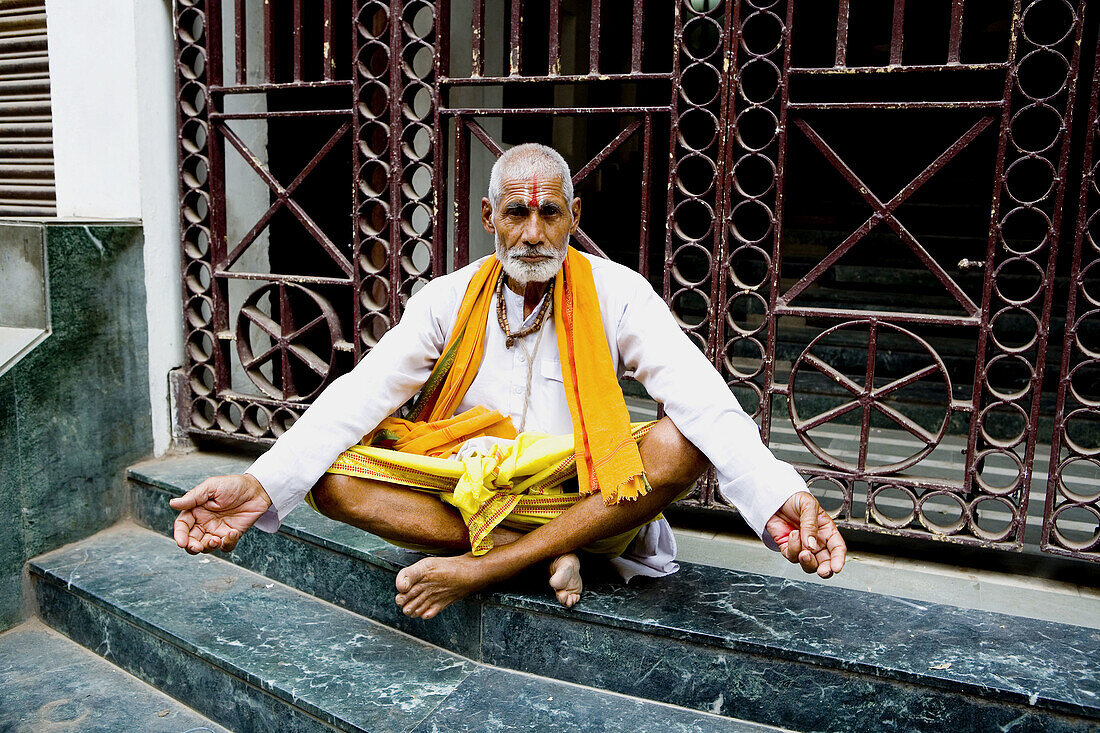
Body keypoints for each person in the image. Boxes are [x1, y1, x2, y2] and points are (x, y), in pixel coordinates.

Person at [171, 143, 846, 620]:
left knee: (681, 445)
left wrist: (779, 493)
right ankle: (551, 556)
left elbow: (703, 399)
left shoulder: (618, 292)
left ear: (573, 219)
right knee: (330, 477)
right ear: (489, 218)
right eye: (516, 215)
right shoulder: (448, 296)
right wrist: (258, 482)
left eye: (549, 213)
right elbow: (363, 389)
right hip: (469, 489)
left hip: (577, 491)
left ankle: (486, 568)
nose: (532, 233)